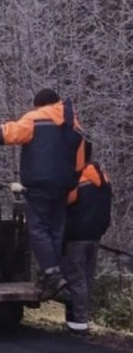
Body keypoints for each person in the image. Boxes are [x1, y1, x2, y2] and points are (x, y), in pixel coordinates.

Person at [0, 88, 85, 301]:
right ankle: (54, 276)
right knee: (55, 231)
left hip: (39, 185)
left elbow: (4, 133)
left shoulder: (36, 119)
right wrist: (72, 188)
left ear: (39, 105)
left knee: (37, 229)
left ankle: (52, 274)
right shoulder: (73, 125)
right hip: (65, 186)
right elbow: (80, 163)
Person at [62, 141, 112, 335]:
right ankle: (80, 317)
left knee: (76, 278)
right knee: (86, 278)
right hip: (95, 235)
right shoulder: (103, 178)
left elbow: (65, 201)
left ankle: (79, 322)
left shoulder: (77, 180)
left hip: (76, 235)